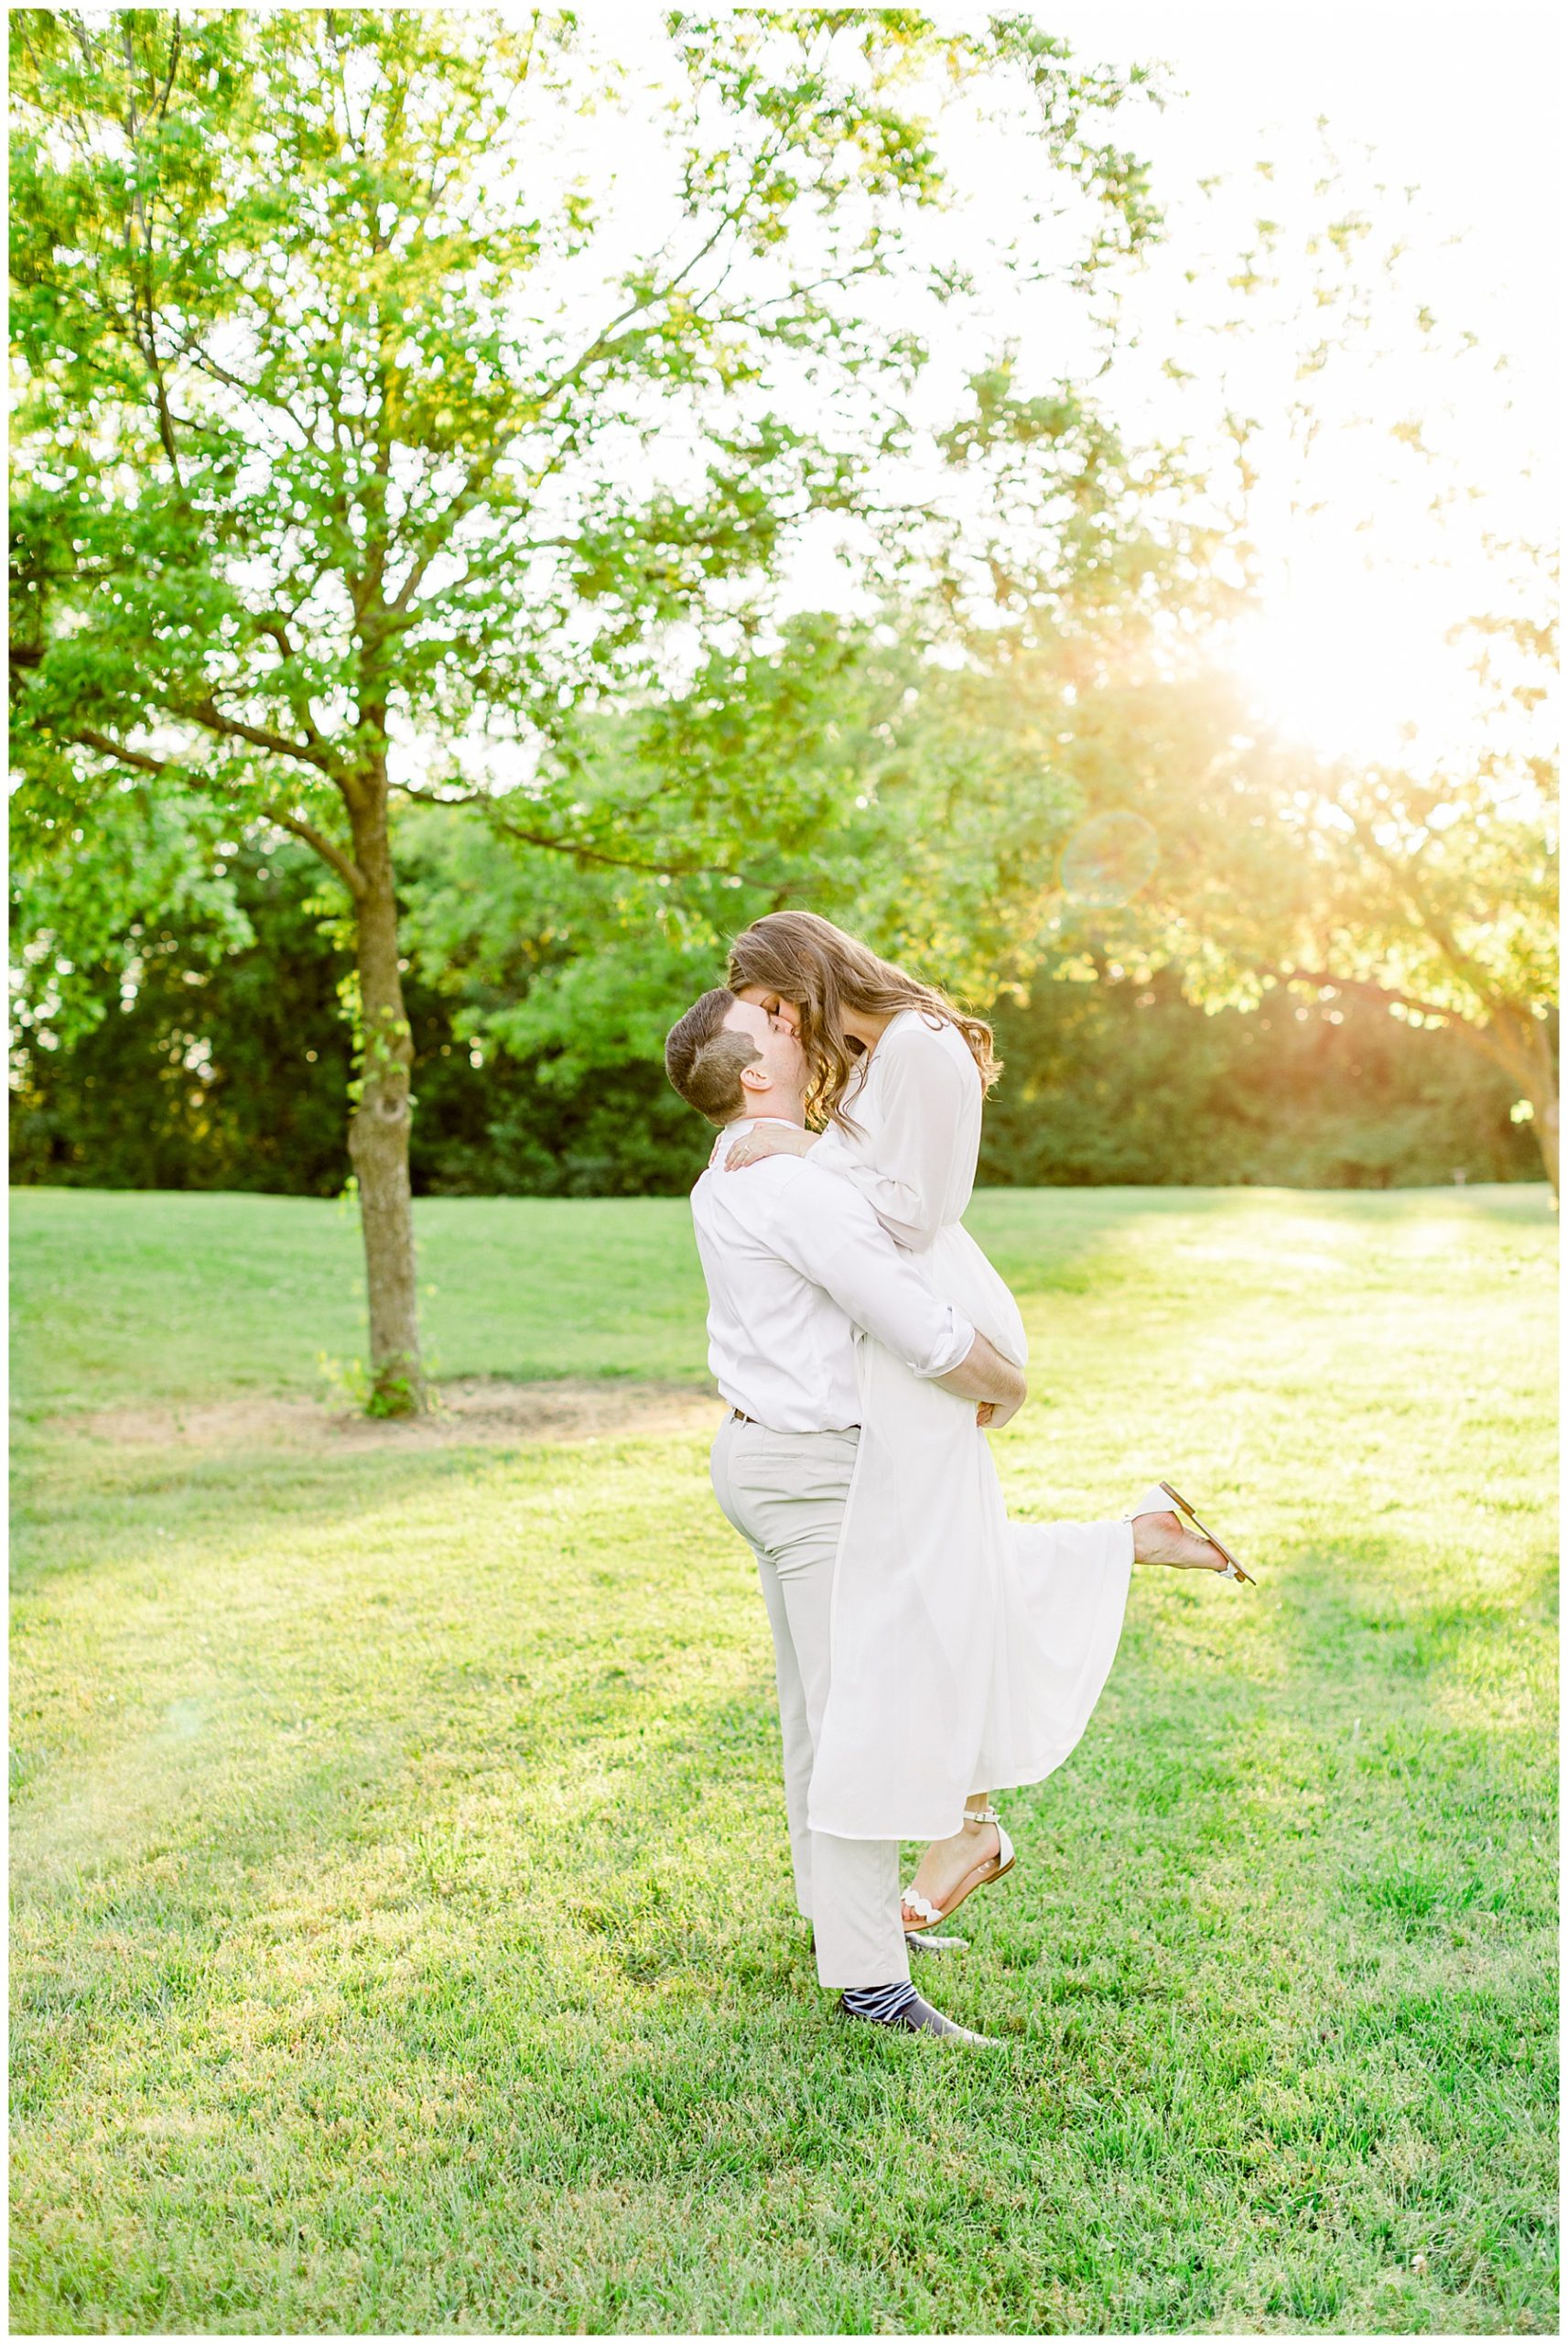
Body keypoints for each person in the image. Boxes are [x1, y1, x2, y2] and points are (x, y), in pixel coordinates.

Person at [720, 910, 1255, 1940]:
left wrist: (795, 1149)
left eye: (777, 1009)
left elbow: (917, 1214)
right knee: (926, 1566)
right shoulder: (879, 1056)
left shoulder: (922, 1046)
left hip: (938, 1319)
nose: (777, 1034)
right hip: (902, 1329)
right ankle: (1125, 1551)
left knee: (924, 1572)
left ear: (806, 981)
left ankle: (964, 1825)